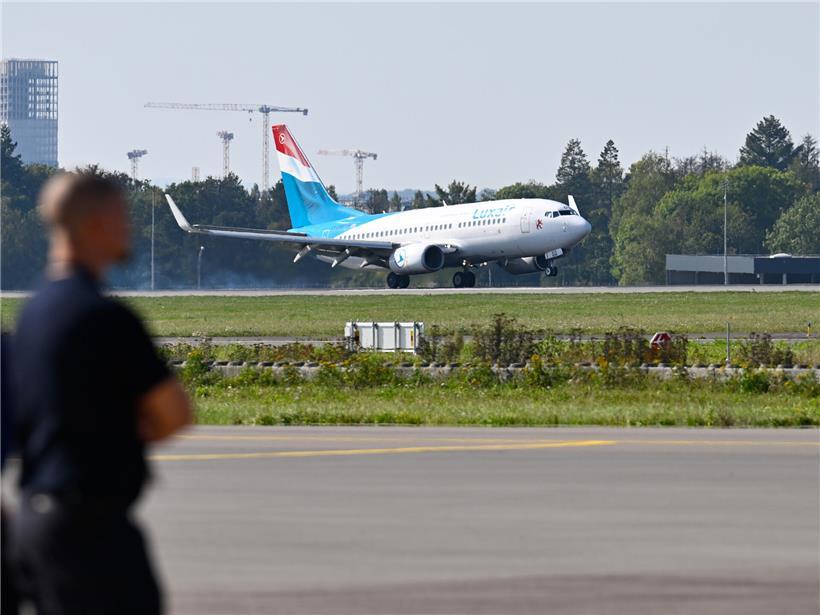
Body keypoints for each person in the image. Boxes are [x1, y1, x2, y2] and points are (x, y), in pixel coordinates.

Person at [12, 173, 192, 615]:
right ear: (95, 224)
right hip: (90, 531)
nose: (129, 228)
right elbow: (174, 414)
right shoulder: (106, 318)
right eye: (121, 217)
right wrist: (114, 426)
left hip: (32, 523)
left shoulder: (29, 317)